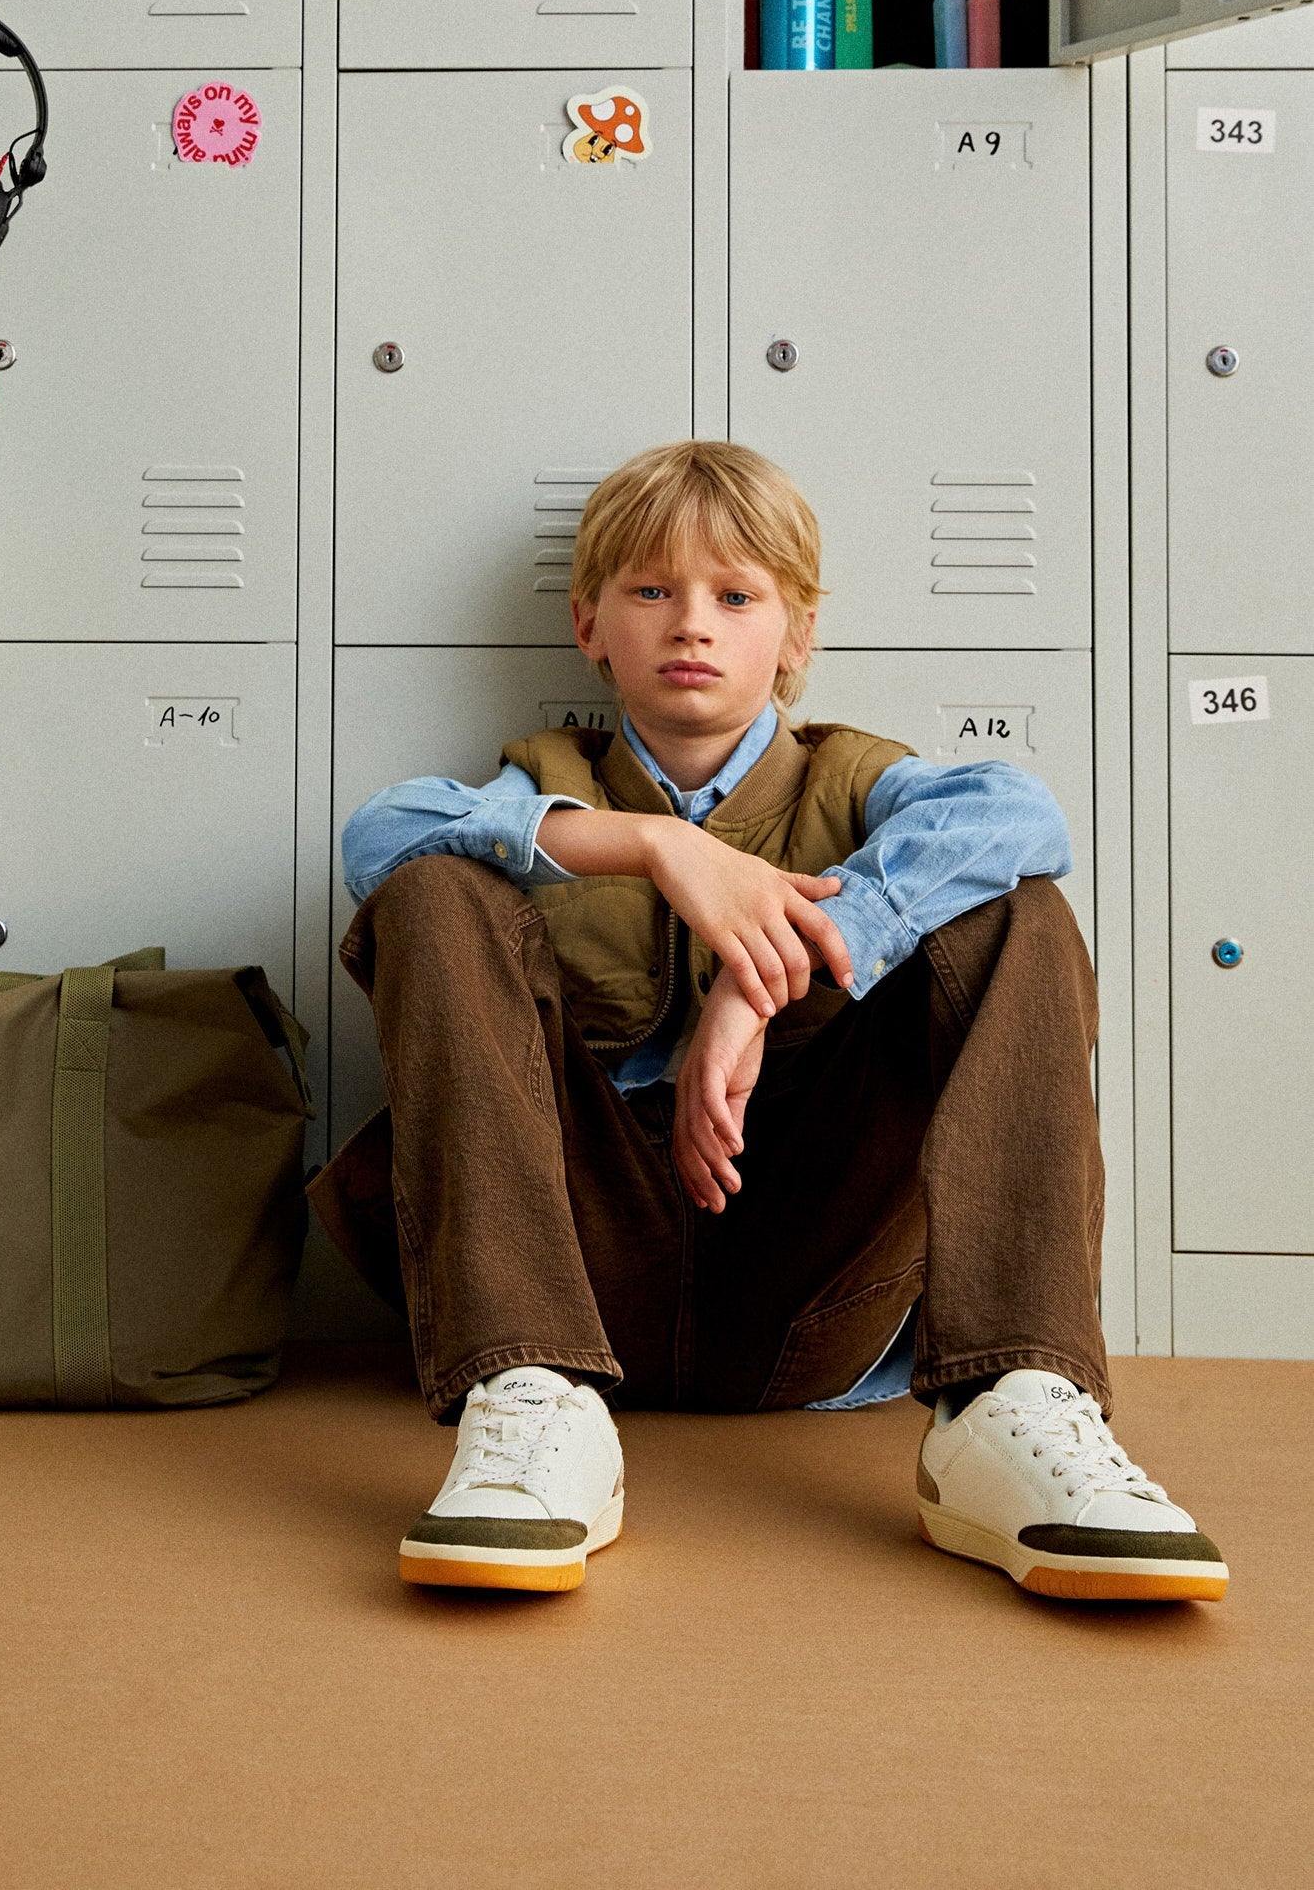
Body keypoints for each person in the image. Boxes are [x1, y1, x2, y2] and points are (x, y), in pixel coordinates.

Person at [311, 440, 1227, 1606]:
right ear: (591, 625)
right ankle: (531, 1397)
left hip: (804, 1261)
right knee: (434, 888)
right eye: (651, 591)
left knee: (1017, 911)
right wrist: (657, 844)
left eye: (736, 596)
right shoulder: (547, 778)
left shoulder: (854, 779)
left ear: (794, 637)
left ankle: (1012, 1401)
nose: (691, 622)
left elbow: (1021, 810)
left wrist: (759, 982)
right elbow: (375, 838)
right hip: (584, 1267)